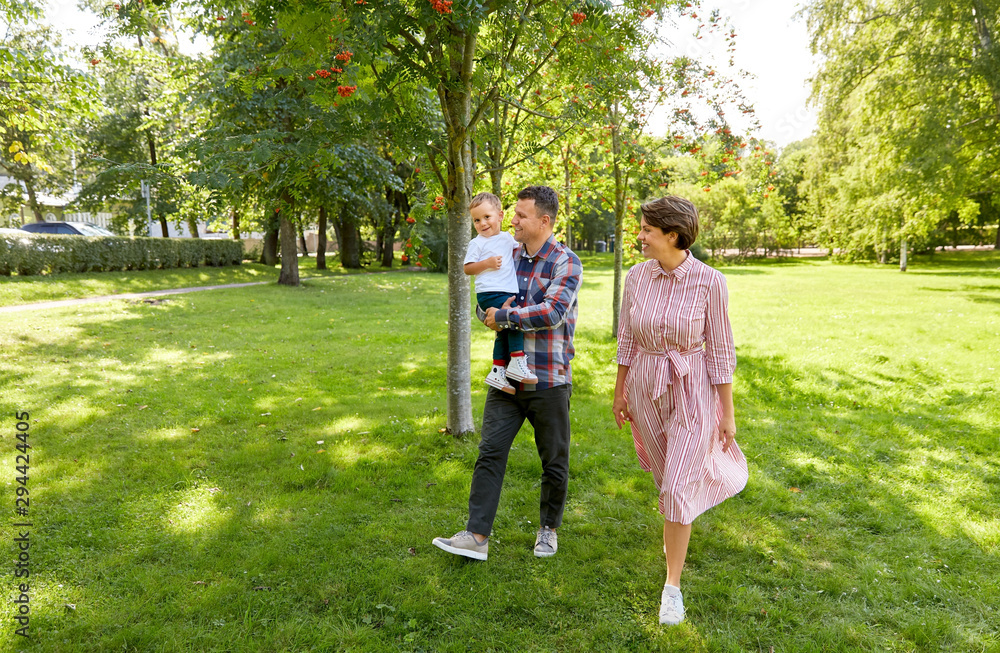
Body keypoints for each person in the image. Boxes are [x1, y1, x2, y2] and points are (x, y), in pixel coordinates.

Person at [611, 196, 748, 625]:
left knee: (675, 488)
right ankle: (678, 524)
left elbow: (722, 351)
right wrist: (620, 392)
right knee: (664, 477)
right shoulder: (636, 277)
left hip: (692, 388)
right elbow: (628, 339)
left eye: (647, 230)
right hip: (645, 386)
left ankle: (672, 588)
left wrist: (726, 413)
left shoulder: (710, 282)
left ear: (672, 235)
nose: (640, 236)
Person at [433, 185, 582, 561]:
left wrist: (503, 316)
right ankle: (476, 535)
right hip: (507, 377)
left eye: (521, 215)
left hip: (548, 377)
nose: (511, 220)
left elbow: (552, 313)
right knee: (490, 451)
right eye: (512, 213)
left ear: (544, 221)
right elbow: (486, 295)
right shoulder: (507, 252)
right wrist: (488, 314)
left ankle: (548, 529)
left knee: (554, 459)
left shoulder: (566, 261)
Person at [463, 192, 538, 394]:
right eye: (477, 220)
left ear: (500, 215)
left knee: (503, 330)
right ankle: (516, 360)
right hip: (490, 292)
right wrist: (486, 264)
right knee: (513, 321)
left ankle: (497, 369)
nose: (482, 223)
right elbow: (467, 268)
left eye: (487, 217)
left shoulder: (506, 238)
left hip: (504, 291)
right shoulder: (477, 243)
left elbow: (524, 247)